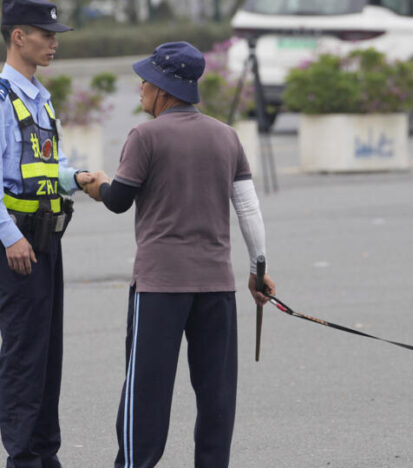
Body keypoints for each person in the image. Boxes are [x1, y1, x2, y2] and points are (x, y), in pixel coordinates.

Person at [84, 41, 276, 468]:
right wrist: (257, 269)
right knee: (216, 396)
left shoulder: (145, 136)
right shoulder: (226, 136)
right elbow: (247, 207)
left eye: (145, 81)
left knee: (146, 394)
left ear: (164, 89)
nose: (140, 88)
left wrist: (94, 184)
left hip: (160, 288)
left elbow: (119, 200)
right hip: (216, 288)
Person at [0, 0, 95, 468]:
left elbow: (44, 165)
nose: (53, 42)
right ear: (19, 36)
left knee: (47, 353)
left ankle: (44, 451)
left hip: (45, 240)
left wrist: (77, 179)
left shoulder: (38, 98)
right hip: (17, 244)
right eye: (46, 34)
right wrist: (9, 236)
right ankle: (22, 456)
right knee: (23, 354)